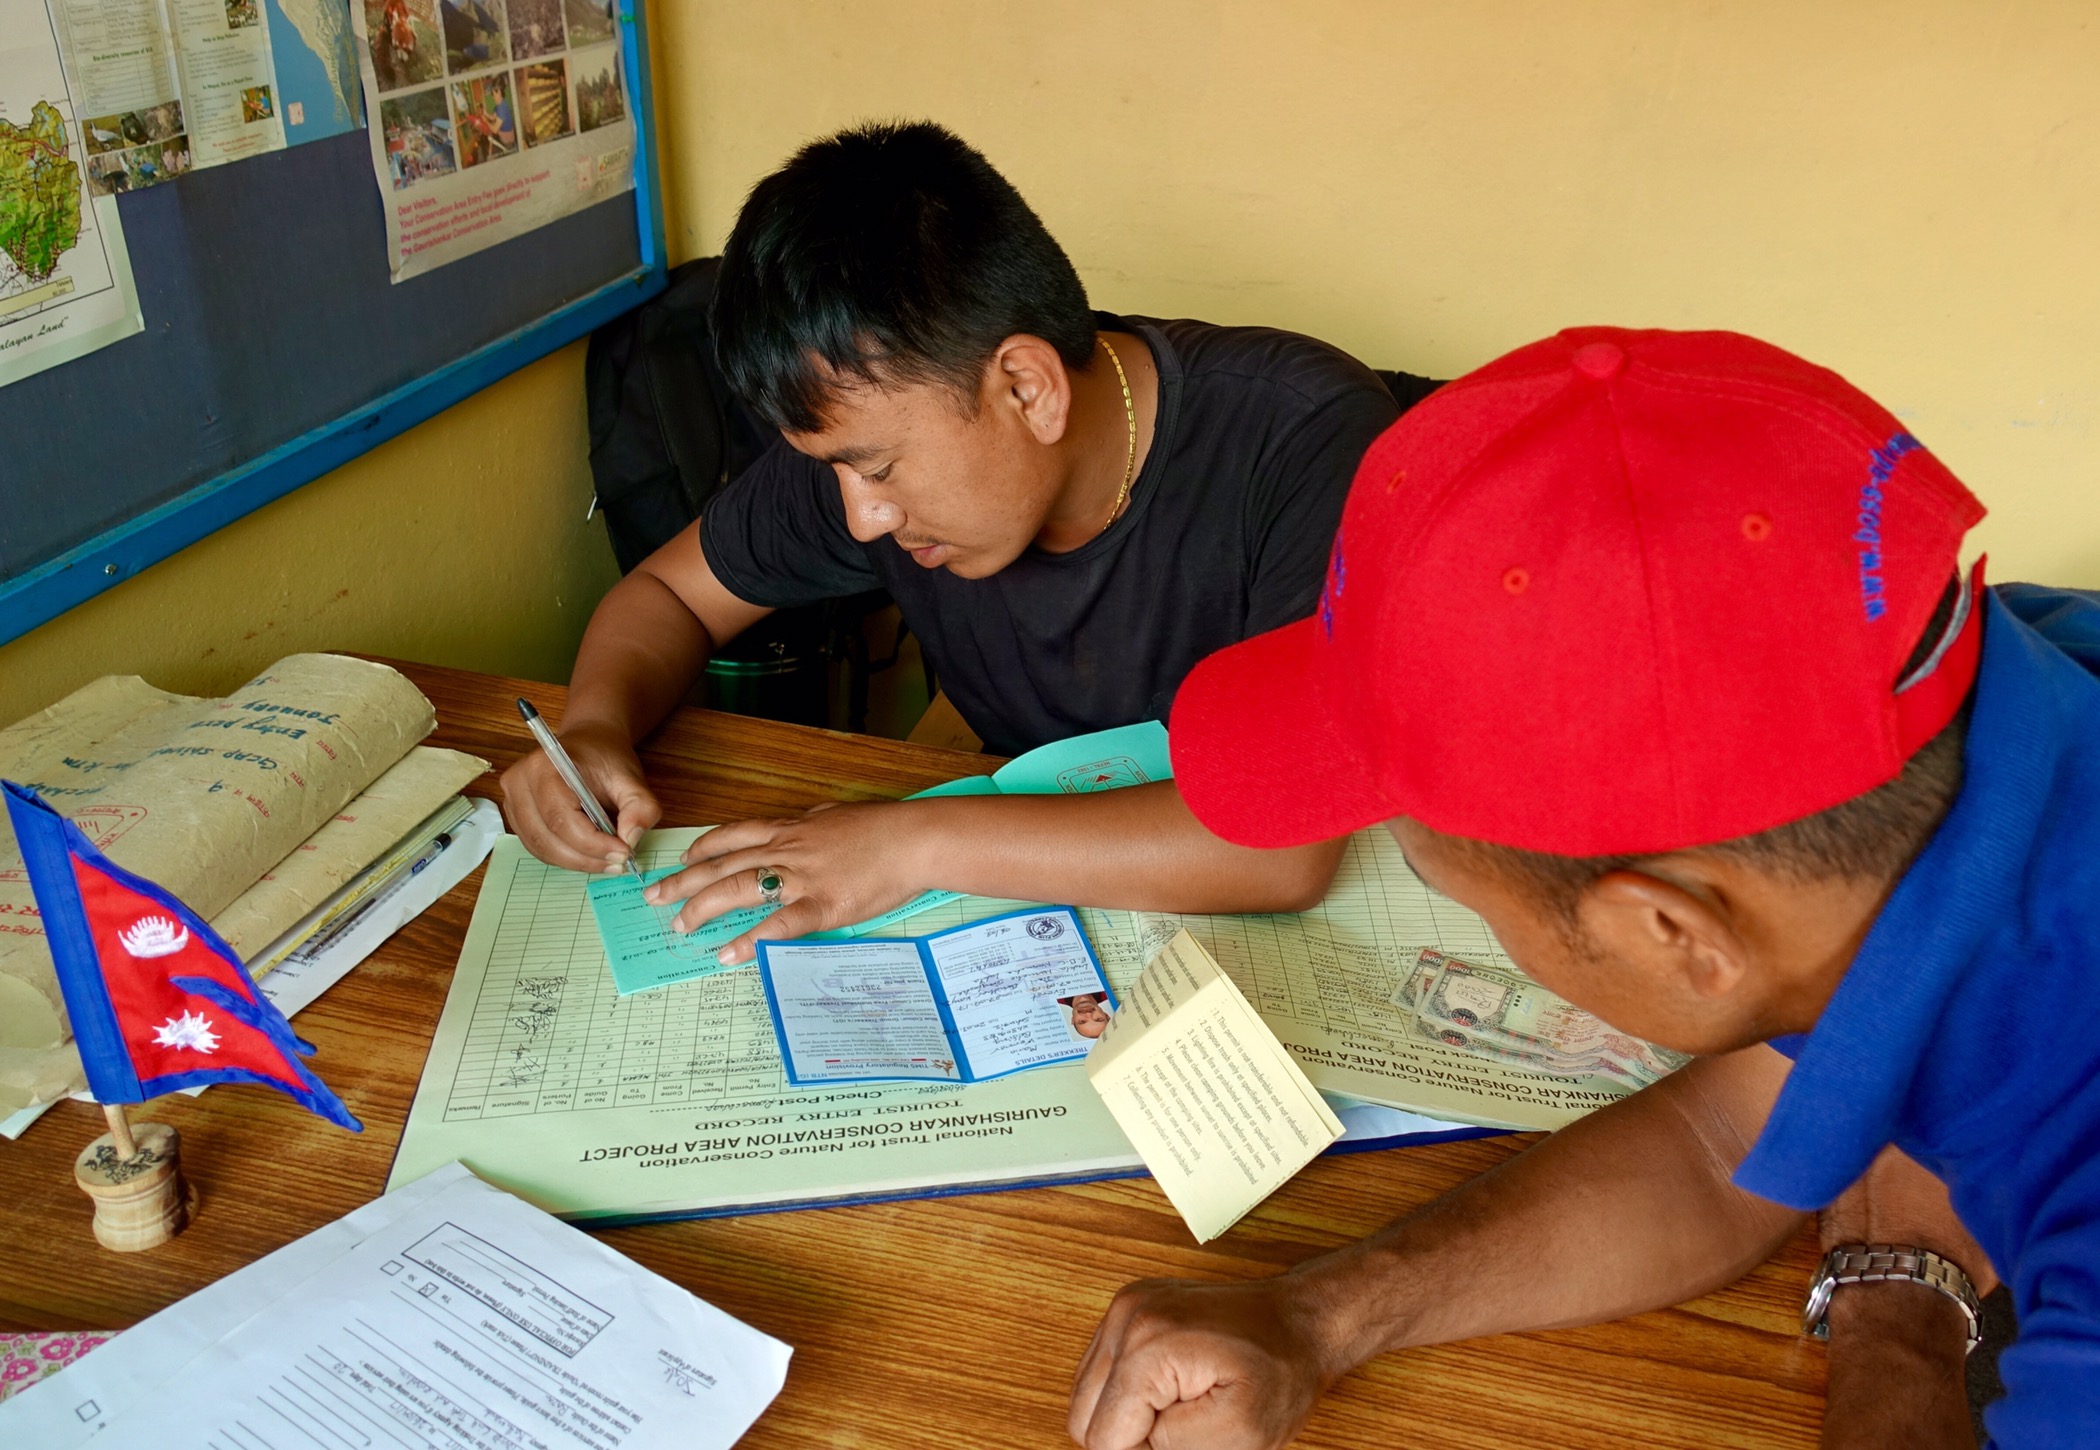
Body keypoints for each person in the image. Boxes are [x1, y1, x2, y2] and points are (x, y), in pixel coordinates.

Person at [1068, 327, 2100, 1449]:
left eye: (1460, 893)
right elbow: (1717, 1141)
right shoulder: (1954, 688)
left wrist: (1893, 1314)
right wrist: (1312, 1319)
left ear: (1673, 930)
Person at [503, 121, 1418, 961]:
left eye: (878, 471)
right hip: (1054, 913)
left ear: (1027, 389)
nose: (861, 517)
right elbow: (668, 594)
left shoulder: (1304, 438)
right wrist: (593, 727)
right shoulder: (864, 427)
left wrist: (909, 843)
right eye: (837, 471)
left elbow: (1280, 847)